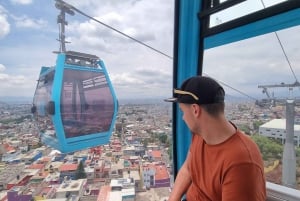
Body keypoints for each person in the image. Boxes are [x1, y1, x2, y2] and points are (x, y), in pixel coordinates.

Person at [165, 76, 266, 201]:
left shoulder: (241, 162)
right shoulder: (200, 134)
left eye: (183, 111)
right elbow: (188, 168)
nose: (183, 118)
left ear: (195, 110)